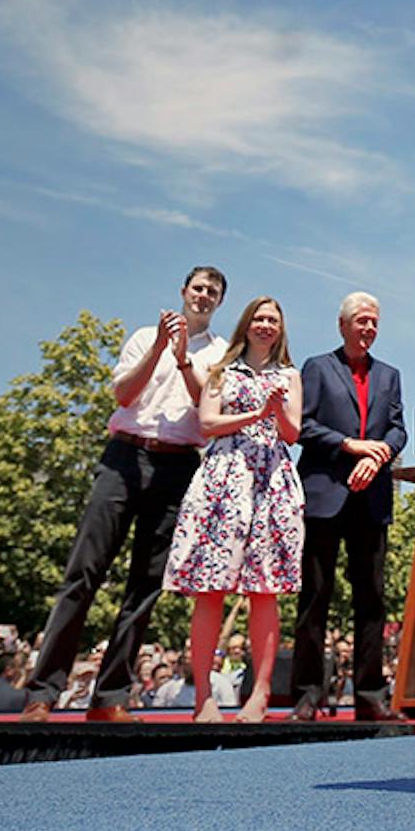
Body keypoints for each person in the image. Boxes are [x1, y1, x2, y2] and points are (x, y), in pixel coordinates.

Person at [23, 266, 226, 722]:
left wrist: (182, 358)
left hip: (178, 463)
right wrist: (159, 347)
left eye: (213, 292)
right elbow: (123, 394)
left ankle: (111, 696)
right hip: (125, 458)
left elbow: (206, 407)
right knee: (83, 573)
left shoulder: (220, 353)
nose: (204, 296)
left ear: (219, 302)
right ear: (183, 291)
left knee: (146, 585)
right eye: (198, 288)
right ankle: (43, 691)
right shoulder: (141, 337)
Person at [166, 296, 308, 724]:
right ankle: (203, 697)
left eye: (273, 320)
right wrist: (255, 413)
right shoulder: (219, 373)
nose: (265, 325)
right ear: (246, 324)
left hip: (271, 481)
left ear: (281, 330)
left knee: (264, 589)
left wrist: (275, 411)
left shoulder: (290, 375)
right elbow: (208, 424)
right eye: (259, 318)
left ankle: (260, 694)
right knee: (209, 588)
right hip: (224, 478)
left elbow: (292, 433)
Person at [290, 292, 406, 722]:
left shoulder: (390, 375)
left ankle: (371, 695)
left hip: (371, 497)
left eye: (374, 322)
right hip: (325, 494)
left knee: (372, 599)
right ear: (342, 325)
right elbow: (302, 425)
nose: (368, 329)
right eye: (361, 321)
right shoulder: (317, 367)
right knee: (315, 597)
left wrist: (376, 458)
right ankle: (306, 695)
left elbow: (397, 430)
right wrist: (350, 447)